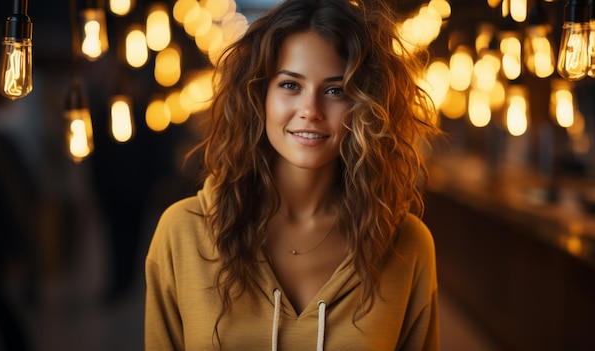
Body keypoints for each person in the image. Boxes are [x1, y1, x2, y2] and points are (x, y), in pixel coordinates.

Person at [145, 0, 441, 350]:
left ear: (365, 107)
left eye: (336, 90)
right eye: (290, 85)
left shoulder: (407, 244)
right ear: (260, 95)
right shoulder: (182, 232)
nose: (311, 111)